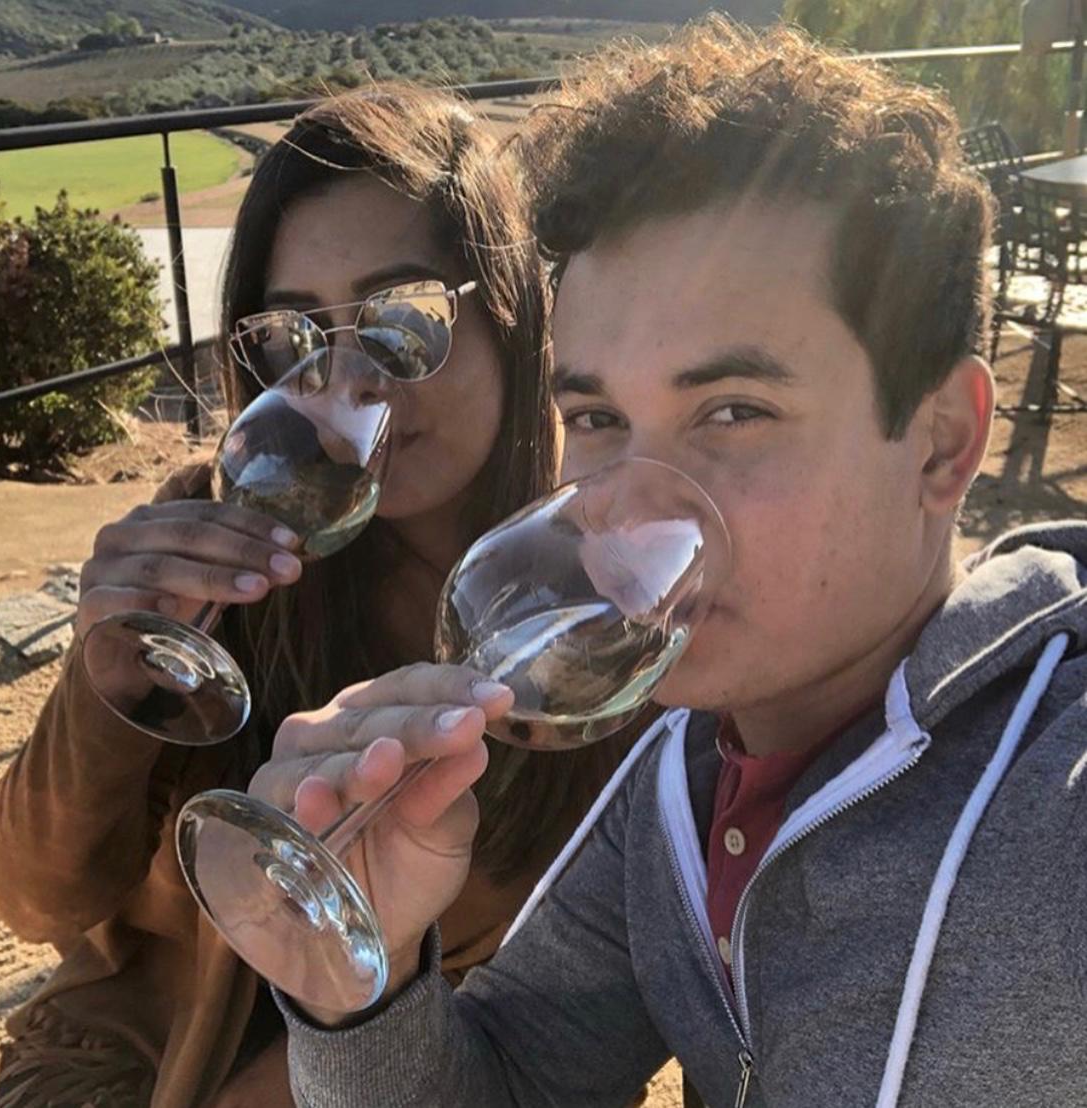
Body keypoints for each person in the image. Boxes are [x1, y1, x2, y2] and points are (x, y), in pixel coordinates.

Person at [251, 20, 1087, 1108]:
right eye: (599, 419)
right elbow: (511, 1086)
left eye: (733, 412)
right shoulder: (678, 783)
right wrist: (358, 991)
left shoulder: (1054, 794)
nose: (631, 516)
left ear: (942, 442)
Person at [0, 85, 632, 1108]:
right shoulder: (214, 537)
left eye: (404, 318)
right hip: (122, 1067)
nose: (348, 381)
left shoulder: (595, 617)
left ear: (511, 310)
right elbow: (35, 900)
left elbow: (551, 1010)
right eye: (294, 335)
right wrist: (99, 697)